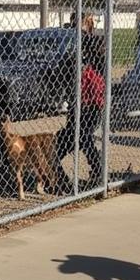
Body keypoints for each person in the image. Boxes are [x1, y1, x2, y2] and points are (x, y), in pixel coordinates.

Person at [56, 35, 105, 188]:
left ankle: (98, 172)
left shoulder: (99, 64)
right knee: (59, 145)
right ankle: (61, 181)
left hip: (91, 110)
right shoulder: (73, 62)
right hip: (77, 111)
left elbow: (97, 91)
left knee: (84, 136)